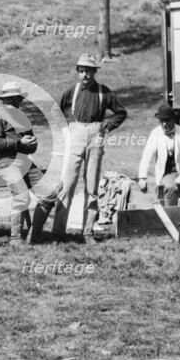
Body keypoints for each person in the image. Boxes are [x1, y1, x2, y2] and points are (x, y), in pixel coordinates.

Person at [52, 53, 127, 242]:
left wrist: (106, 127)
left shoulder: (103, 91)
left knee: (92, 185)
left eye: (89, 71)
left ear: (94, 72)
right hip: (75, 133)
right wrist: (65, 129)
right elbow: (55, 110)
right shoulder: (73, 90)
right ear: (78, 72)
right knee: (67, 183)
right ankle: (58, 232)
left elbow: (120, 112)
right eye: (82, 71)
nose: (85, 75)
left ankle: (87, 231)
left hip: (96, 134)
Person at [0, 81, 57, 246]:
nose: (13, 103)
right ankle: (16, 239)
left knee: (49, 195)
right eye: (9, 99)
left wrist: (31, 143)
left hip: (23, 160)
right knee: (22, 196)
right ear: (3, 100)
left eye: (16, 99)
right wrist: (20, 143)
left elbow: (32, 146)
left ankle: (33, 236)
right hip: (3, 161)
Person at [138, 103, 180, 207]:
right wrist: (142, 177)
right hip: (168, 173)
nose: (165, 124)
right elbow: (147, 156)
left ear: (173, 119)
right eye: (162, 121)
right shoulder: (156, 134)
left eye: (167, 120)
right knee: (170, 186)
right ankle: (171, 217)